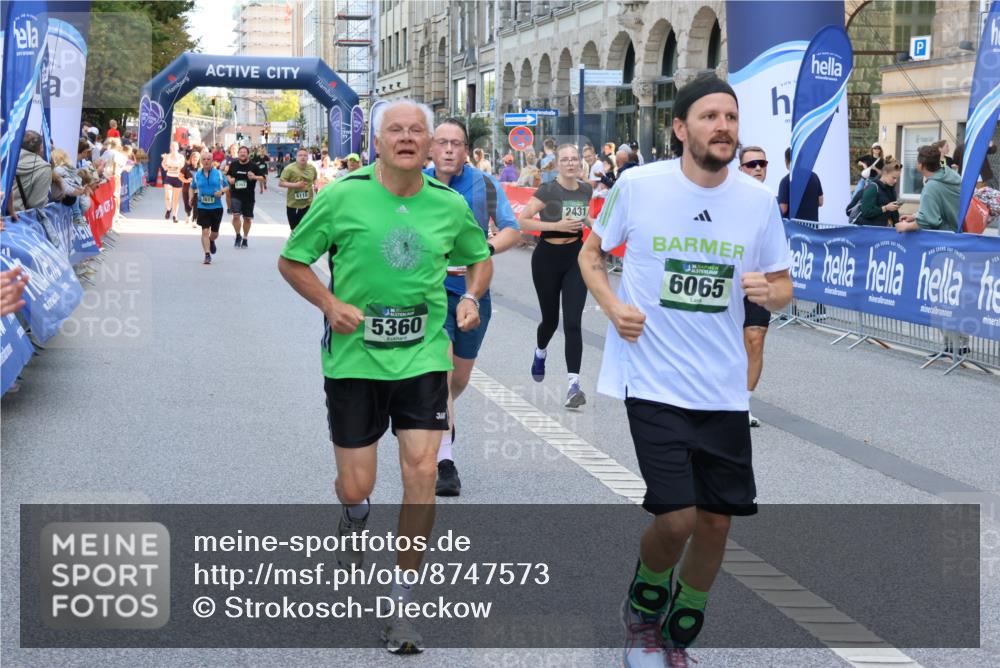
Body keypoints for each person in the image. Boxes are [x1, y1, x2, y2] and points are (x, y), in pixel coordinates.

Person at [578, 74, 792, 668]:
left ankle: (677, 635)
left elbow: (783, 285)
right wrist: (613, 306)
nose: (723, 126)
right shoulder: (638, 186)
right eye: (709, 116)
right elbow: (590, 255)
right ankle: (644, 610)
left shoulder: (754, 199)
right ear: (680, 128)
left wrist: (767, 293)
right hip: (651, 379)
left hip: (722, 388)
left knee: (717, 525)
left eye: (730, 116)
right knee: (676, 520)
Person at [278, 99, 492, 655]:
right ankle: (354, 514)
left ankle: (402, 602)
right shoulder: (342, 196)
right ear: (377, 142)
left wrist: (470, 296)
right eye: (394, 130)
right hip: (354, 359)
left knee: (422, 469)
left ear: (428, 145)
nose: (405, 137)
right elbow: (293, 261)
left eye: (415, 130)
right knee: (358, 483)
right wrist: (328, 304)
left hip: (423, 356)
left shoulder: (447, 205)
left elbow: (479, 256)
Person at [425, 118, 521, 497]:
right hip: (428, 294)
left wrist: (484, 250)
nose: (449, 149)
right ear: (431, 148)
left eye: (457, 144)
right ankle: (445, 463)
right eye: (442, 143)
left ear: (467, 150)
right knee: (439, 376)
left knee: (457, 381)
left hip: (473, 292)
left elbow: (512, 229)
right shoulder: (416, 183)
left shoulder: (485, 184)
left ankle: (443, 417)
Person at [517, 143, 593, 408]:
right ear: (558, 163)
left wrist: (596, 226)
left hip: (575, 257)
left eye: (575, 159)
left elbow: (585, 218)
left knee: (572, 321)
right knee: (549, 320)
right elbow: (523, 220)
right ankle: (540, 352)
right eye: (566, 159)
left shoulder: (586, 189)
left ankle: (574, 386)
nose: (571, 163)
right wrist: (555, 226)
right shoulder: (548, 189)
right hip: (547, 258)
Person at [737, 146, 775, 428]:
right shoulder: (728, 199)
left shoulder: (770, 201)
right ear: (741, 169)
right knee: (727, 344)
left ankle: (742, 403)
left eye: (762, 163)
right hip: (728, 282)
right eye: (752, 164)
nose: (758, 168)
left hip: (759, 282)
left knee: (755, 339)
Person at [895, 144, 960, 233]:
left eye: (917, 161)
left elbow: (928, 221)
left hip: (946, 237)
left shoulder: (931, 187)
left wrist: (906, 226)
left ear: (921, 166)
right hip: (958, 232)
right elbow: (938, 208)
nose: (916, 163)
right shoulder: (949, 174)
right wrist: (915, 216)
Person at [190, 152, 228, 265]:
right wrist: (191, 197)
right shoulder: (197, 175)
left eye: (208, 159)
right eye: (204, 159)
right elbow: (192, 187)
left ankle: (212, 241)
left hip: (216, 207)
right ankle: (207, 254)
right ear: (201, 161)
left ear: (212, 161)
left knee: (214, 234)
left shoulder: (219, 174)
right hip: (202, 206)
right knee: (205, 231)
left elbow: (227, 186)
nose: (206, 161)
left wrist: (221, 192)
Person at [7, 131, 53, 216]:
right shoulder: (43, 167)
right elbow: (37, 204)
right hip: (18, 221)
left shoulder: (7, 159)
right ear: (40, 147)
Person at [227, 146, 265, 248]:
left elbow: (263, 178)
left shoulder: (253, 166)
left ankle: (245, 238)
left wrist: (254, 177)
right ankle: (238, 235)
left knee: (247, 219)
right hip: (235, 194)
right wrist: (230, 179)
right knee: (236, 216)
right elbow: (228, 174)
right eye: (241, 152)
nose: (242, 154)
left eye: (244, 152)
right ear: (238, 154)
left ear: (248, 154)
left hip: (248, 196)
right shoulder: (234, 164)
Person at [777, 147, 824, 220]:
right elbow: (821, 202)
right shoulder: (814, 176)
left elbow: (783, 209)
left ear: (786, 161)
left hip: (795, 229)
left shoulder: (785, 181)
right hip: (813, 228)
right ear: (800, 160)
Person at [279, 147, 318, 231]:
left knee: (303, 229)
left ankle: (302, 243)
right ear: (296, 157)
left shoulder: (312, 168)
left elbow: (315, 178)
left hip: (307, 203)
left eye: (305, 155)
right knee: (294, 229)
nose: (303, 157)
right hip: (293, 204)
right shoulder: (289, 169)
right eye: (300, 155)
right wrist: (295, 185)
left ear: (308, 157)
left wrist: (316, 185)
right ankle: (293, 242)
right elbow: (281, 183)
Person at [856, 158, 902, 227]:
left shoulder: (891, 188)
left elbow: (894, 213)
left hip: (883, 230)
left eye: (897, 178)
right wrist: (885, 208)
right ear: (885, 173)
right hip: (870, 231)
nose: (896, 181)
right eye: (894, 177)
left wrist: (898, 225)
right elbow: (866, 212)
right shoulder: (873, 187)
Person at [161, 141, 185, 223]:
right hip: (169, 178)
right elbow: (164, 166)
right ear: (170, 148)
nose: (174, 148)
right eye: (172, 146)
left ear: (178, 148)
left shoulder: (181, 157)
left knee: (176, 199)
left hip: (178, 178)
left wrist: (174, 167)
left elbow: (182, 167)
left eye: (175, 146)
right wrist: (166, 165)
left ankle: (175, 215)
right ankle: (168, 209)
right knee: (168, 196)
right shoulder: (167, 156)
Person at [180, 150, 201, 227]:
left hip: (197, 190)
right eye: (193, 157)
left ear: (199, 159)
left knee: (196, 205)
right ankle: (188, 214)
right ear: (191, 158)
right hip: (186, 189)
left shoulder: (201, 168)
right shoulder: (186, 167)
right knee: (187, 206)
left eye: (197, 157)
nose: (195, 159)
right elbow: (180, 176)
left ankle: (194, 220)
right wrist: (186, 180)